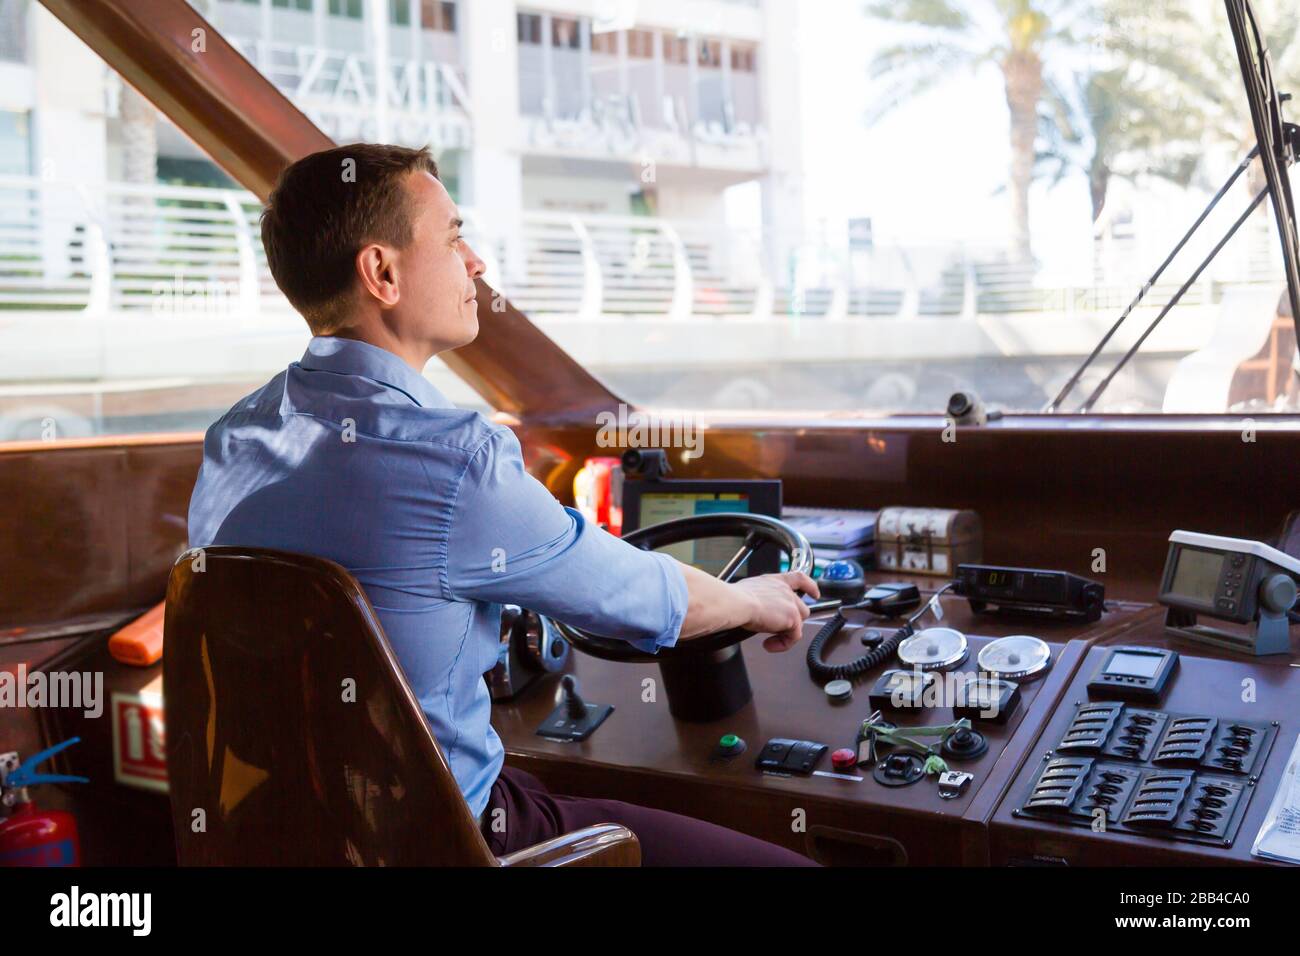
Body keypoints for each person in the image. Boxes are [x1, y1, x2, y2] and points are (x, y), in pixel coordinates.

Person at [187, 143, 819, 866]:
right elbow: (642, 598)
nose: (476, 262)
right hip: (446, 841)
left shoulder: (235, 436)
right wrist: (756, 600)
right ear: (382, 273)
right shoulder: (453, 458)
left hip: (294, 835)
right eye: (454, 238)